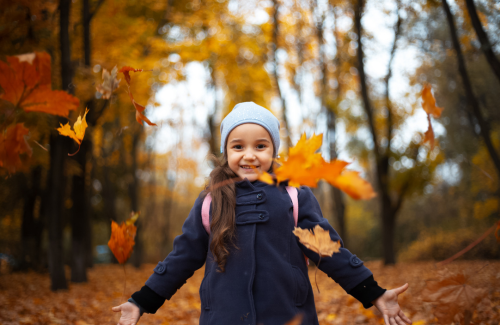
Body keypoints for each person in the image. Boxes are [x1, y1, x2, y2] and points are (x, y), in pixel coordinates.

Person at [112, 102, 412, 325]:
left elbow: (329, 252)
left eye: (261, 145)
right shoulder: (210, 201)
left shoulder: (294, 196)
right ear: (226, 152)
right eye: (238, 146)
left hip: (288, 316)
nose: (250, 154)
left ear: (274, 151)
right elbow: (182, 258)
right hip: (224, 319)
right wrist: (142, 301)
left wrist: (373, 292)